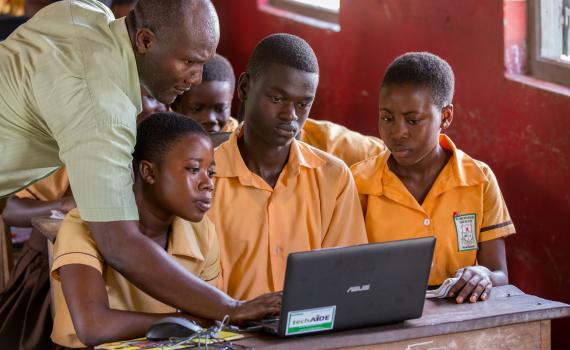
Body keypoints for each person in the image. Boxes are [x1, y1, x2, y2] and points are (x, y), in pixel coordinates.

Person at [0, 0, 270, 322]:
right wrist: (231, 308)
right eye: (188, 62)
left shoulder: (80, 10)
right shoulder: (102, 110)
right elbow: (118, 243)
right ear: (144, 41)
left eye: (203, 63)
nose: (196, 78)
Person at [50, 113, 281, 348]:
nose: (208, 183)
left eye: (211, 172)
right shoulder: (84, 225)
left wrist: (197, 320)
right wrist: (184, 321)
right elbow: (94, 327)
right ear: (149, 172)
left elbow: (210, 319)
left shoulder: (202, 233)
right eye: (193, 169)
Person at [208, 34, 368, 300]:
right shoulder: (204, 178)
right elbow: (201, 293)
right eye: (277, 99)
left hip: (313, 334)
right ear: (245, 87)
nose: (290, 116)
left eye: (303, 103)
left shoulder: (333, 178)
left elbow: (346, 279)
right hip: (231, 336)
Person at [351, 52, 515, 303]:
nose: (397, 132)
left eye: (413, 120)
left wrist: (483, 275)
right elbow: (347, 275)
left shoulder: (478, 180)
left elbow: (499, 272)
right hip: (383, 315)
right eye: (387, 118)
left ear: (446, 116)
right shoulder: (359, 183)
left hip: (460, 315)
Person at [171, 54, 237, 133]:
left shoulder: (238, 138)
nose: (210, 119)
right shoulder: (164, 139)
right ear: (175, 106)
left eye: (220, 109)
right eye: (197, 109)